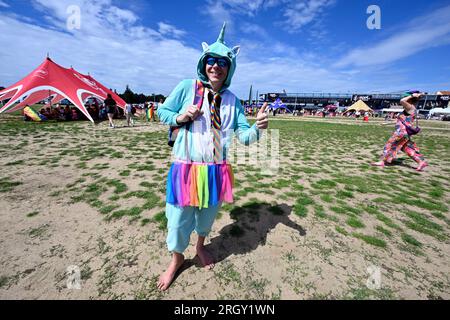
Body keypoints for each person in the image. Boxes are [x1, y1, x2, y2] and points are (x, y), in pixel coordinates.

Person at [156, 22, 269, 291]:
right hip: (186, 168)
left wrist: (257, 128)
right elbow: (163, 113)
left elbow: (244, 137)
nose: (215, 66)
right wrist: (181, 117)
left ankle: (199, 247)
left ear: (229, 69)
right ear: (203, 63)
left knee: (206, 217)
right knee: (178, 219)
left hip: (216, 169)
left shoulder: (233, 101)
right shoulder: (187, 87)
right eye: (211, 60)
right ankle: (177, 258)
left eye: (222, 62)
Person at [372, 92, 428, 171]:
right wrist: (386, 123)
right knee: (406, 148)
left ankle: (382, 161)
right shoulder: (410, 109)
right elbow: (401, 120)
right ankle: (421, 162)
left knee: (389, 145)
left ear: (409, 99)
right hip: (404, 133)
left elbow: (402, 100)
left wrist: (412, 95)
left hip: (401, 132)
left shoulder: (410, 107)